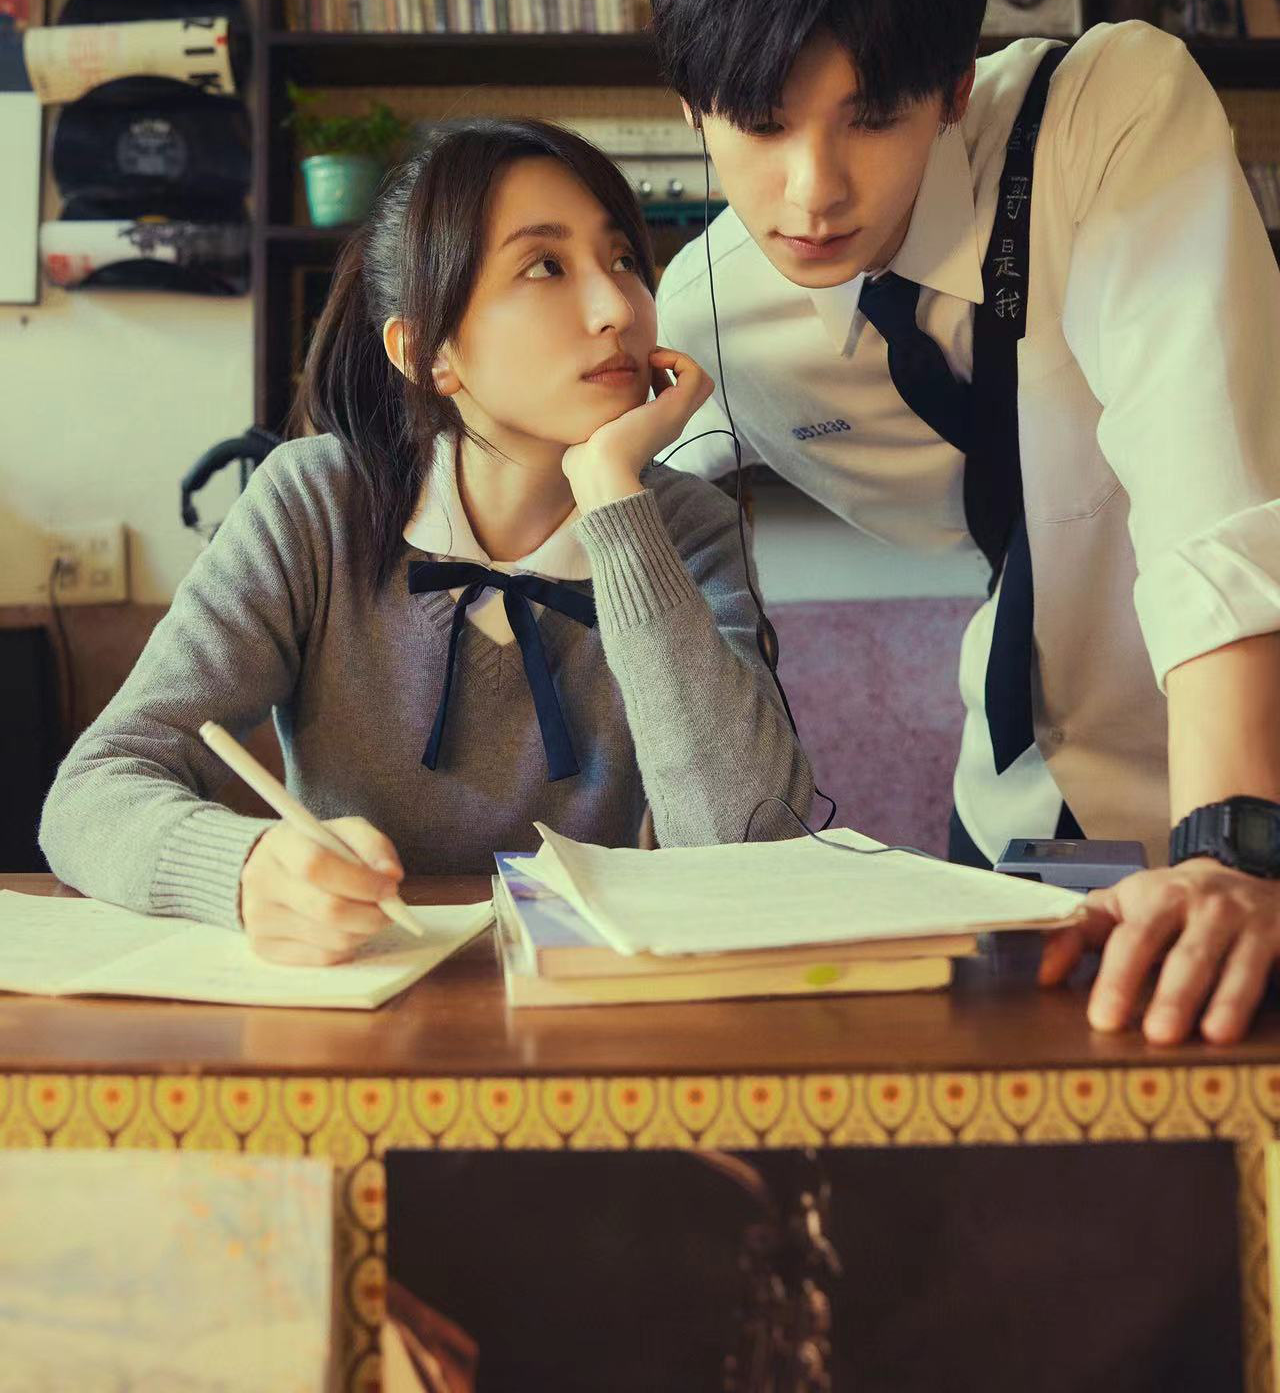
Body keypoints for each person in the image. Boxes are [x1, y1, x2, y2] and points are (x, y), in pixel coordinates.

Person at [649, 0, 1280, 1047]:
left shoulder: (1103, 115)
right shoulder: (705, 314)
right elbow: (611, 554)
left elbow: (1209, 497)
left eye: (870, 115)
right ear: (690, 107)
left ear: (949, 88)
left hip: (1245, 804)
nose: (812, 192)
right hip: (1010, 824)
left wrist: (1234, 849)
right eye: (761, 122)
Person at [39, 117, 813, 965]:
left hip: (582, 998)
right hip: (360, 992)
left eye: (624, 259)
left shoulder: (685, 526)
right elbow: (93, 792)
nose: (617, 308)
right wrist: (245, 869)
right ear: (428, 353)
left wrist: (614, 500)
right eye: (545, 265)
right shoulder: (316, 504)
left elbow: (752, 845)